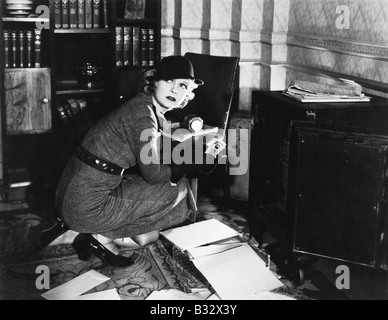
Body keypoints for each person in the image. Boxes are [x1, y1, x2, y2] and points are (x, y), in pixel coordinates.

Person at [34, 56, 204, 267]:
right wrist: (190, 162)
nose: (174, 90)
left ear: (188, 94)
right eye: (168, 81)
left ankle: (78, 230)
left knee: (161, 192)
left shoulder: (140, 105)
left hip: (69, 196)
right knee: (178, 192)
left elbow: (144, 151)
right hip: (83, 207)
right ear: (154, 82)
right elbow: (153, 175)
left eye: (182, 86)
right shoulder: (143, 116)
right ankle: (99, 238)